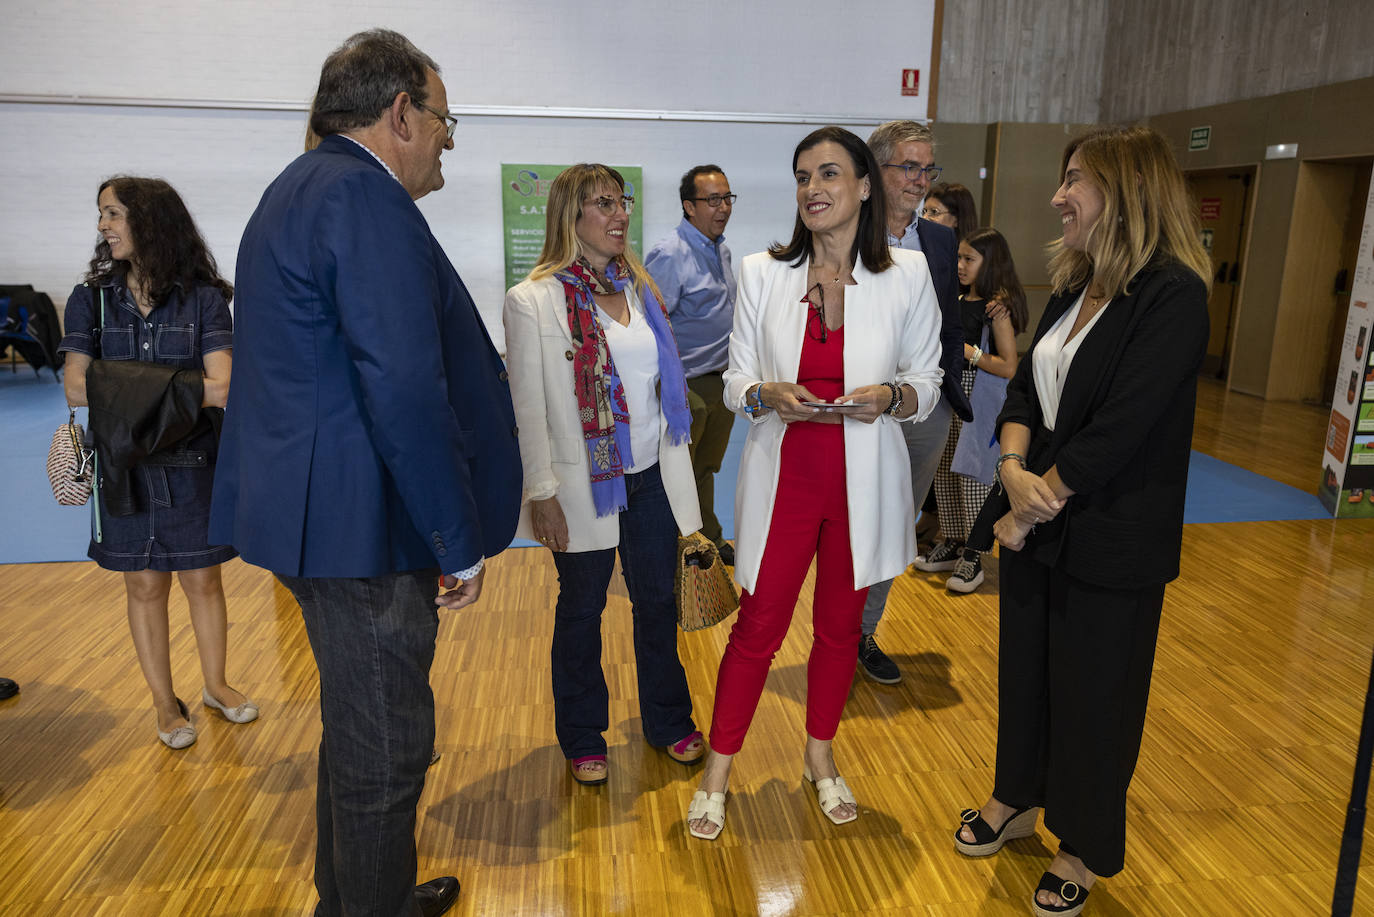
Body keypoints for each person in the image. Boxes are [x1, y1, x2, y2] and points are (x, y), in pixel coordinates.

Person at [209, 29, 521, 917]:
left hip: (316, 517)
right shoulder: (365, 199)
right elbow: (403, 387)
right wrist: (454, 538)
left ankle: (348, 900)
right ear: (400, 114)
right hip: (366, 529)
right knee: (389, 748)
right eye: (443, 124)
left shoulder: (293, 189)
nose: (445, 148)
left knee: (356, 730)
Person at [953, 125, 1210, 917]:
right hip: (1039, 516)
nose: (1058, 196)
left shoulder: (1173, 295)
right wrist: (1010, 470)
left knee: (1098, 695)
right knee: (1026, 672)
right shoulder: (1073, 286)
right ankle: (1015, 797)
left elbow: (1123, 424)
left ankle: (1083, 842)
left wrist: (1038, 497)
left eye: (1075, 181)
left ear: (1126, 190)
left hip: (1110, 531)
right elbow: (1027, 388)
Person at [685, 126, 943, 840]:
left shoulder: (908, 276)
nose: (813, 189)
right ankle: (719, 769)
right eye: (803, 176)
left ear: (865, 185)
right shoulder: (764, 272)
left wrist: (891, 398)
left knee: (837, 632)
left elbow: (928, 378)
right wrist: (766, 392)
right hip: (786, 476)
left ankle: (820, 757)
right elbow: (736, 380)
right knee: (757, 629)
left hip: (861, 481)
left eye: (829, 173)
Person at [504, 164, 705, 786]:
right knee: (583, 607)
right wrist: (541, 493)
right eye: (602, 204)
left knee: (658, 603)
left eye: (621, 202)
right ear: (571, 216)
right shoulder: (533, 299)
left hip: (650, 477)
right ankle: (583, 735)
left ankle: (668, 721)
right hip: (583, 484)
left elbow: (659, 384)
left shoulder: (638, 286)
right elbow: (529, 408)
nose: (619, 214)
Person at [59, 176, 256, 752]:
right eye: (101, 214)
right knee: (143, 586)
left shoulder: (204, 298)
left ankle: (217, 685)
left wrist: (118, 386)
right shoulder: (88, 299)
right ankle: (163, 702)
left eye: (113, 213)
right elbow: (75, 388)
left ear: (149, 220)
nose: (103, 225)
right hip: (122, 467)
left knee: (204, 579)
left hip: (193, 463)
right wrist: (177, 389)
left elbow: (223, 388)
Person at [854, 120, 971, 685]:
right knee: (848, 525)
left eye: (928, 169)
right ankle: (833, 629)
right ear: (876, 171)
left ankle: (863, 634)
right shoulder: (841, 234)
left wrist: (947, 394)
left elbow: (947, 326)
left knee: (896, 528)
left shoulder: (942, 241)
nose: (920, 180)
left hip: (924, 412)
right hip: (857, 409)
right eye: (909, 166)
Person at [916, 228, 1028, 592]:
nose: (960, 266)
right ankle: (951, 538)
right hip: (949, 397)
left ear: (989, 263)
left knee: (974, 477)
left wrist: (971, 353)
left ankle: (975, 551)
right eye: (959, 258)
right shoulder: (958, 298)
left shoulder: (996, 308)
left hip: (978, 400)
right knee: (945, 470)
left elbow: (1010, 366)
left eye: (969, 259)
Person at [644, 165, 738, 565]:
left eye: (727, 198)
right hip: (686, 383)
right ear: (689, 206)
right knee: (679, 473)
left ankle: (706, 538)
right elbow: (652, 324)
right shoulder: (670, 253)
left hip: (719, 378)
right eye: (712, 200)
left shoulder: (721, 248)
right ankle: (675, 549)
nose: (723, 208)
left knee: (706, 467)